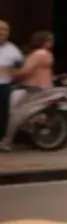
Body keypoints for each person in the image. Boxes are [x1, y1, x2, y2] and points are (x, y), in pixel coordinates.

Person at [0, 21, 23, 152]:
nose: (1, 33)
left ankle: (2, 140)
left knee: (2, 114)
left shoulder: (13, 50)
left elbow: (19, 67)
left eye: (4, 30)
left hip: (4, 86)